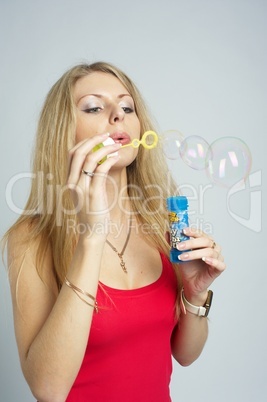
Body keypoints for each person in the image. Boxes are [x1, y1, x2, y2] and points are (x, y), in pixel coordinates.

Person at [3, 61, 226, 402]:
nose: (117, 115)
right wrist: (91, 236)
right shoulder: (32, 238)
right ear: (64, 132)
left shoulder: (161, 226)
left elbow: (185, 355)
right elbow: (48, 390)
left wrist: (194, 296)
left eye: (127, 107)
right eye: (94, 106)